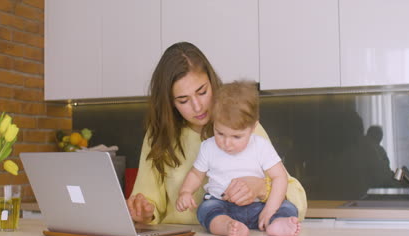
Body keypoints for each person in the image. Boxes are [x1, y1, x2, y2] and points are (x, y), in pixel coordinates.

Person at [127, 41, 307, 225]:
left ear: (212, 83)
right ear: (170, 103)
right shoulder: (158, 136)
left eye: (202, 92)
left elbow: (297, 197)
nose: (197, 107)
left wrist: (261, 188)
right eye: (183, 100)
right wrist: (143, 213)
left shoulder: (239, 125)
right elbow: (148, 204)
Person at [176, 81, 300, 236]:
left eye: (236, 136)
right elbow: (195, 174)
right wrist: (185, 192)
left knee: (286, 206)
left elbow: (279, 177)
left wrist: (269, 209)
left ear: (253, 127)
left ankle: (276, 223)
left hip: (258, 208)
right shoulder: (208, 147)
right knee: (206, 209)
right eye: (220, 133)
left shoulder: (261, 146)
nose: (226, 143)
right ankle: (228, 226)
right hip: (222, 206)